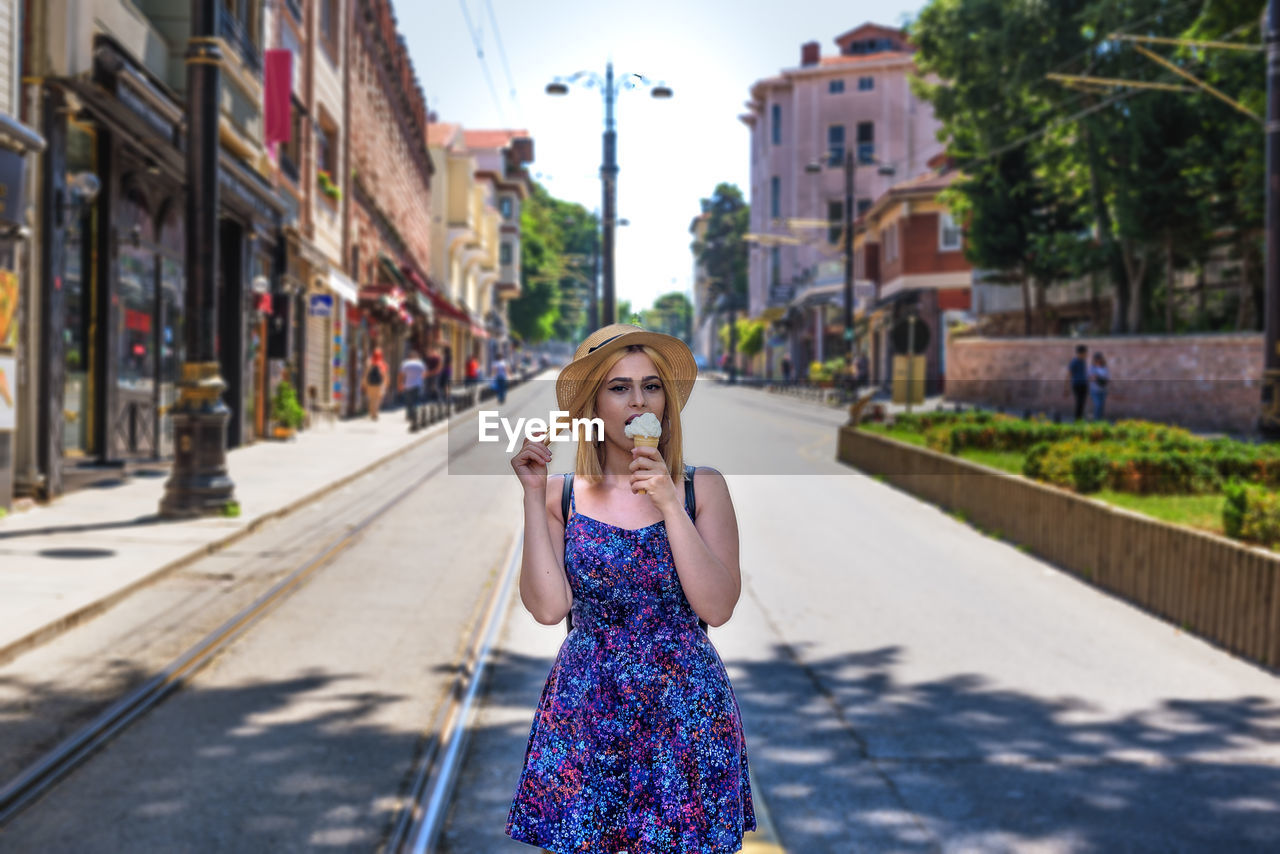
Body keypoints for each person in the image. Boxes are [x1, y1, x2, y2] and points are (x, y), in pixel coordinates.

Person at [505, 323, 755, 852]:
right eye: (619, 387)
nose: (638, 400)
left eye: (651, 386)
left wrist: (669, 502)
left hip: (684, 709)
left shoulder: (701, 488)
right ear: (594, 405)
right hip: (589, 710)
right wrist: (532, 495)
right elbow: (549, 609)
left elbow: (718, 605)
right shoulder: (561, 495)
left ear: (666, 402)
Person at [398, 347, 427, 431]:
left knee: (408, 401)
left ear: (409, 356)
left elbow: (401, 375)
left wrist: (400, 384)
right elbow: (424, 374)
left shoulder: (405, 363)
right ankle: (414, 415)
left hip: (407, 385)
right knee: (415, 401)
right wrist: (419, 378)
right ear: (416, 356)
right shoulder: (420, 364)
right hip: (417, 385)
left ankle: (408, 415)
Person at [1065, 344, 1089, 422]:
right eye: (1085, 353)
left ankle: (1080, 419)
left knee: (1082, 403)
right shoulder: (1074, 362)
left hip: (1084, 384)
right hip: (1077, 385)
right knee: (1079, 402)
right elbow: (1069, 374)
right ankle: (1077, 420)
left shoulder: (1083, 361)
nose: (1086, 354)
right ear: (1080, 353)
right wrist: (1066, 387)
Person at [363, 347, 388, 421]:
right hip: (379, 384)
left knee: (371, 399)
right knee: (377, 399)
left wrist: (364, 383)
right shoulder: (382, 363)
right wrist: (386, 383)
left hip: (370, 383)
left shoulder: (369, 362)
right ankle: (375, 413)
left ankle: (371, 413)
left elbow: (366, 373)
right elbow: (384, 374)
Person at [1089, 351, 1110, 421]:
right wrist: (1095, 377)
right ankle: (1096, 421)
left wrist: (1101, 378)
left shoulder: (1104, 367)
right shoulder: (1092, 368)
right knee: (1098, 405)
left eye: (1099, 358)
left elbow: (1108, 378)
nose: (1098, 360)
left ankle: (1100, 421)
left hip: (1103, 389)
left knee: (1101, 406)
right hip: (1095, 390)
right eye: (1097, 359)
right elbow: (1090, 377)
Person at [438, 344, 453, 411]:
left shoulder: (445, 356)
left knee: (444, 385)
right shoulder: (449, 356)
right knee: (447, 384)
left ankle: (447, 398)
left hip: (445, 371)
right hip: (448, 371)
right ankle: (448, 397)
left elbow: (443, 364)